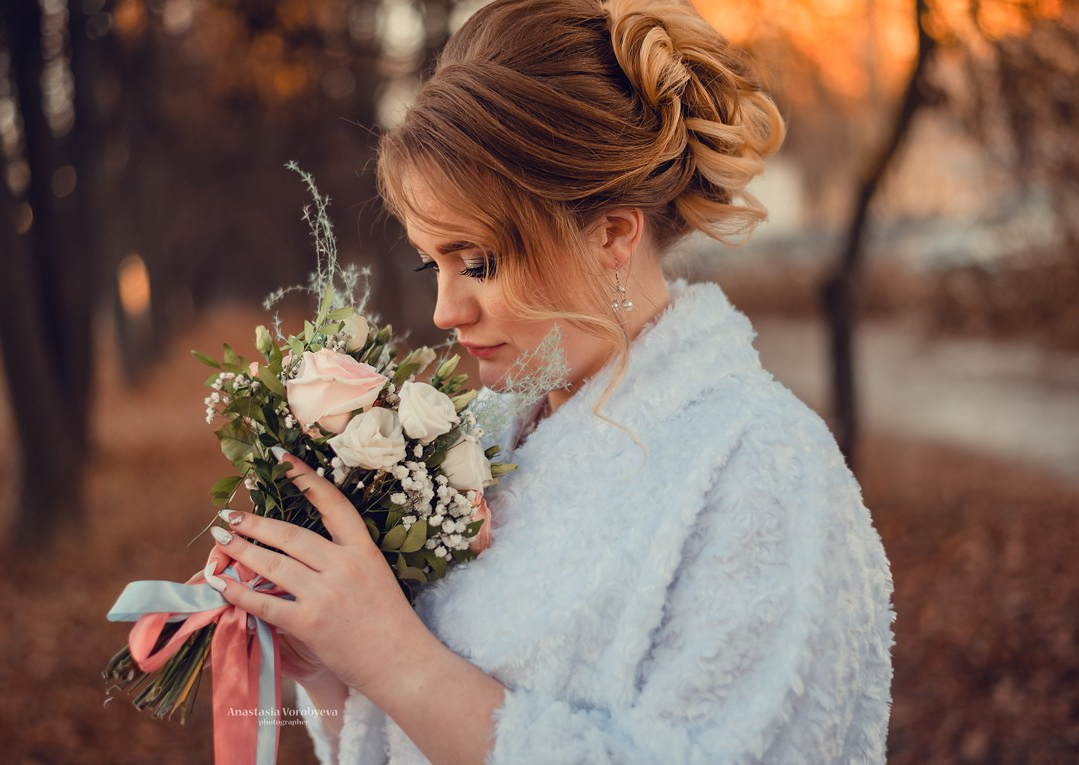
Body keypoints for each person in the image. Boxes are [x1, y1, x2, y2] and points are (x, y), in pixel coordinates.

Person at [206, 0, 895, 762]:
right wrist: (330, 654)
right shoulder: (482, 445)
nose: (443, 310)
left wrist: (392, 654)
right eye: (429, 263)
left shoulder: (762, 469)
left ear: (610, 234)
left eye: (479, 262)